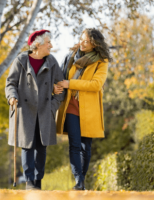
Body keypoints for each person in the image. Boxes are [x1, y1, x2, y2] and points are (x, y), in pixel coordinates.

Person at [5, 30, 65, 190]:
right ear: (37, 45)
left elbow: (61, 86)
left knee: (41, 147)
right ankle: (30, 181)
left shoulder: (52, 61)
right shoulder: (21, 60)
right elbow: (10, 83)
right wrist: (11, 96)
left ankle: (38, 180)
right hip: (25, 110)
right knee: (27, 146)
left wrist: (52, 106)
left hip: (45, 111)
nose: (51, 46)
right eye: (48, 43)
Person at [54, 28, 112, 190]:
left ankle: (81, 181)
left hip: (89, 109)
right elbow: (60, 77)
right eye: (81, 39)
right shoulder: (71, 57)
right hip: (71, 105)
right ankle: (79, 182)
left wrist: (70, 84)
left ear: (95, 44)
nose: (82, 43)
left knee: (86, 147)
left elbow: (95, 85)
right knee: (75, 144)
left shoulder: (101, 61)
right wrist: (56, 86)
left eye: (86, 41)